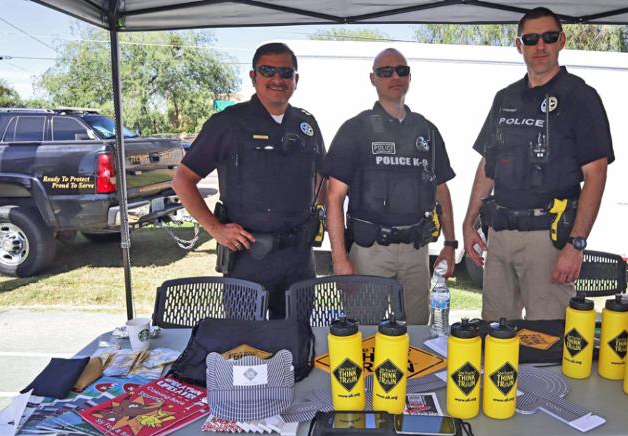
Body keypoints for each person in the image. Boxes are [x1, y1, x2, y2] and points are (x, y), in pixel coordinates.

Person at [462, 7, 614, 436]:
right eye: (531, 39)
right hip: (501, 233)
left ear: (562, 40)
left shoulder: (579, 97)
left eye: (548, 37)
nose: (540, 46)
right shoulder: (506, 98)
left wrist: (577, 244)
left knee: (546, 339)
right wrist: (469, 223)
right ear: (519, 45)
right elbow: (486, 168)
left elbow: (596, 174)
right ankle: (500, 420)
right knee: (497, 333)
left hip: (549, 239)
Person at [173, 42, 325, 319]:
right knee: (244, 347)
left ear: (296, 80)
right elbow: (182, 180)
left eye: (285, 72)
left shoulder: (307, 124)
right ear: (253, 76)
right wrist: (216, 229)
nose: (277, 79)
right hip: (248, 259)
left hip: (299, 260)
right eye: (268, 70)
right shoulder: (228, 123)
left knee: (297, 341)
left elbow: (321, 178)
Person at [324, 48, 457, 325]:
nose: (394, 76)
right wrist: (339, 259)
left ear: (410, 77)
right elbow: (334, 197)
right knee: (364, 330)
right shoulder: (356, 129)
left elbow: (440, 189)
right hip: (370, 252)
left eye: (401, 70)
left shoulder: (427, 131)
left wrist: (450, 244)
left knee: (419, 331)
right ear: (373, 78)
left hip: (416, 252)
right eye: (385, 71)